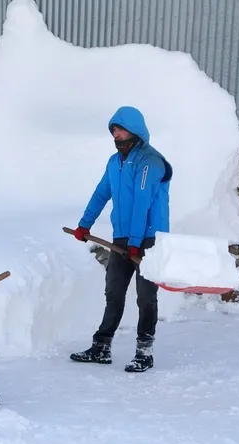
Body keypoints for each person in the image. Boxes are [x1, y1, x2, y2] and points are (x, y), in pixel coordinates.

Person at [69, 105, 173, 372]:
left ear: (135, 129)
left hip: (150, 238)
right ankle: (101, 347)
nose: (115, 133)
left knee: (145, 296)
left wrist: (137, 241)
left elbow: (142, 203)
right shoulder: (114, 162)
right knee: (114, 292)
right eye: (113, 129)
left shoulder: (150, 161)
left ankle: (144, 352)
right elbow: (101, 192)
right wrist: (84, 224)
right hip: (122, 238)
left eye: (120, 128)